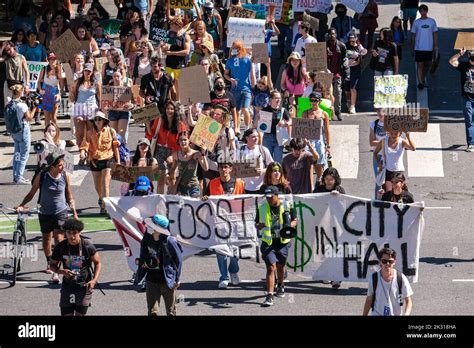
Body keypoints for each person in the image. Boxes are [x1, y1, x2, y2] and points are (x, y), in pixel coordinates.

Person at [16, 152, 78, 283]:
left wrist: (74, 213)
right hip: (44, 212)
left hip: (61, 212)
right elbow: (32, 193)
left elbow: (69, 196)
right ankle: (50, 263)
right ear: (52, 166)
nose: (63, 167)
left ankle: (56, 272)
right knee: (46, 240)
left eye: (63, 165)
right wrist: (21, 205)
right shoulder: (43, 176)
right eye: (60, 165)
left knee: (59, 240)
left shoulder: (65, 176)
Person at [202, 162, 244, 289]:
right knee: (221, 250)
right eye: (221, 167)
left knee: (234, 252)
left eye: (226, 167)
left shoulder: (240, 183)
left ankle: (234, 271)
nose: (223, 170)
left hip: (236, 222)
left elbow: (247, 200)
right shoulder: (213, 183)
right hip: (219, 221)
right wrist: (204, 198)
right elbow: (205, 198)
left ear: (230, 169)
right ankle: (224, 277)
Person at [256, 186, 297, 307]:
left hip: (282, 242)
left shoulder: (287, 206)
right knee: (271, 267)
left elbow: (295, 220)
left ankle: (280, 285)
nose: (268, 200)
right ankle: (269, 296)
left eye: (271, 197)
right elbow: (256, 222)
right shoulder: (262, 207)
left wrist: (289, 226)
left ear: (276, 195)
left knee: (280, 267)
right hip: (268, 243)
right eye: (267, 198)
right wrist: (259, 225)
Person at [50, 219, 102, 316]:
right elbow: (52, 265)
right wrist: (61, 271)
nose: (71, 236)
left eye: (74, 233)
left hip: (84, 287)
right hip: (67, 287)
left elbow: (98, 262)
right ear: (65, 233)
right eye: (69, 233)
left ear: (79, 232)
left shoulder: (87, 246)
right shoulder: (60, 247)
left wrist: (94, 280)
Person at [139, 214, 183, 316]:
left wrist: (177, 278)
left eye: (151, 225)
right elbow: (143, 254)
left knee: (171, 312)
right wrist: (143, 264)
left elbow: (178, 260)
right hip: (151, 280)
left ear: (158, 229)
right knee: (152, 312)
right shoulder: (147, 238)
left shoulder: (170, 241)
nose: (148, 226)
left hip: (167, 281)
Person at [80, 111, 121, 214]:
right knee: (97, 185)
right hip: (94, 161)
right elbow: (85, 144)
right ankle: (101, 198)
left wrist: (118, 162)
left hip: (108, 159)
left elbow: (115, 148)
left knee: (105, 183)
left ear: (104, 121)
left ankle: (105, 207)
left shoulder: (111, 131)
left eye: (100, 119)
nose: (97, 121)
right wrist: (82, 152)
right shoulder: (89, 133)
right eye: (96, 119)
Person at [146, 100, 187, 193]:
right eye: (168, 108)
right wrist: (148, 125)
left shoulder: (180, 124)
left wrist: (174, 155)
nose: (169, 111)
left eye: (172, 109)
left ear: (175, 110)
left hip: (173, 151)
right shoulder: (159, 120)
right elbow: (151, 135)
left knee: (172, 177)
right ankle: (159, 200)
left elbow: (183, 141)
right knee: (160, 178)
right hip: (159, 150)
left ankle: (170, 198)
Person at [362, 247, 413, 316]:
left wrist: (406, 314)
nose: (387, 264)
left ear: (394, 262)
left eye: (390, 261)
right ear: (380, 261)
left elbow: (408, 300)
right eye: (384, 261)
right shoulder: (374, 278)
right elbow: (369, 299)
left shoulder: (400, 278)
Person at [224, 40, 256, 130]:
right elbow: (225, 74)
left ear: (241, 48)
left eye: (237, 48)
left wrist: (254, 87)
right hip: (234, 89)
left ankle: (247, 128)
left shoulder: (247, 60)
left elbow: (252, 75)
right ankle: (237, 129)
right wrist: (231, 79)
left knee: (245, 109)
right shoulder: (229, 61)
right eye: (233, 48)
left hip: (246, 89)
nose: (235, 50)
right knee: (236, 111)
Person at [71, 63, 100, 158]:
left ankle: (88, 153)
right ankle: (81, 152)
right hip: (79, 107)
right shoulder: (77, 82)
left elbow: (100, 97)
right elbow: (72, 98)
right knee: (79, 134)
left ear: (92, 72)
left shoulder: (96, 82)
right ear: (83, 71)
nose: (87, 73)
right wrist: (71, 91)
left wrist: (102, 110)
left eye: (89, 71)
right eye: (86, 70)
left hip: (92, 108)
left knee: (90, 133)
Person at [5, 84, 32, 184]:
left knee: (17, 153)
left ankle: (15, 175)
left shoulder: (9, 103)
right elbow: (29, 118)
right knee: (24, 154)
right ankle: (19, 176)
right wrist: (33, 108)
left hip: (14, 131)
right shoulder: (22, 105)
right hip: (22, 130)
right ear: (21, 92)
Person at [301, 92, 330, 184]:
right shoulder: (305, 113)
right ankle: (308, 181)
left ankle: (319, 179)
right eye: (312, 100)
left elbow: (326, 130)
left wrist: (328, 145)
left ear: (319, 101)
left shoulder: (324, 114)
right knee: (307, 160)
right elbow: (301, 127)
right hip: (308, 139)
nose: (313, 102)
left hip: (319, 139)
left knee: (319, 160)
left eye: (316, 100)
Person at [168, 131, 209, 197]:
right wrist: (171, 180)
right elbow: (173, 169)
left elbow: (206, 168)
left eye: (185, 139)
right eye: (181, 140)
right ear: (178, 142)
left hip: (193, 188)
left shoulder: (196, 154)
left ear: (189, 141)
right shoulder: (176, 155)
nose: (183, 142)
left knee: (193, 207)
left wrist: (203, 153)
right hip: (181, 188)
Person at [449, 49, 474, 152]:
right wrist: (459, 54)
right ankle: (471, 143)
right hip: (467, 98)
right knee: (469, 121)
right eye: (472, 57)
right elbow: (451, 61)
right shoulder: (464, 65)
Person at [258, 90, 291, 163]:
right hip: (267, 137)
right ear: (271, 99)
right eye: (276, 98)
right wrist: (259, 119)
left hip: (279, 137)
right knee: (267, 160)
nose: (278, 100)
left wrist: (285, 124)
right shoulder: (265, 110)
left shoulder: (282, 110)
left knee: (278, 160)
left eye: (280, 98)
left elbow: (290, 121)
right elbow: (259, 126)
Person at [411, 4, 438, 90]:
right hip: (419, 47)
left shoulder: (432, 21)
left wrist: (436, 45)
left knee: (428, 64)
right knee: (420, 64)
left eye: (424, 11)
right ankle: (420, 82)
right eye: (421, 11)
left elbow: (435, 34)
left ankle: (423, 77)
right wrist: (412, 47)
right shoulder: (416, 22)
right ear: (419, 12)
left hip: (429, 47)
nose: (423, 12)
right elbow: (413, 35)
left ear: (426, 11)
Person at [238, 128, 273, 194]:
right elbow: (234, 168)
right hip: (245, 187)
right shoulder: (240, 151)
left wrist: (263, 170)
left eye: (257, 136)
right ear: (247, 138)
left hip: (262, 187)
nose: (256, 138)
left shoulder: (263, 150)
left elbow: (272, 166)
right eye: (253, 137)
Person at [326, 28, 349, 121]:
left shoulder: (341, 45)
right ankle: (329, 113)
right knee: (327, 94)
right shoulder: (325, 45)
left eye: (333, 34)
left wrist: (345, 72)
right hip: (327, 74)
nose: (332, 36)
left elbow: (345, 59)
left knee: (337, 92)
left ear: (336, 34)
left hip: (337, 73)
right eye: (330, 34)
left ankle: (338, 111)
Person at [0, 41, 29, 109]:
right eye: (7, 50)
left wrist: (27, 84)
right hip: (9, 83)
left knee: (19, 105)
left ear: (13, 47)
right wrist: (2, 48)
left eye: (10, 49)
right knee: (8, 105)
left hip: (19, 84)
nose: (9, 51)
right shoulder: (6, 58)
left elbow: (26, 71)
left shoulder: (21, 57)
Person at [37, 52, 62, 126]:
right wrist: (40, 90)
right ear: (48, 60)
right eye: (51, 59)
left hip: (55, 93)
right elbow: (38, 82)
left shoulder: (59, 68)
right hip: (46, 93)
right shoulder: (44, 69)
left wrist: (59, 93)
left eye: (54, 59)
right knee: (47, 116)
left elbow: (61, 83)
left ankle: (55, 135)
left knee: (53, 116)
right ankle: (47, 134)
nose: (53, 61)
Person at [345, 34, 367, 114]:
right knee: (347, 89)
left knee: (353, 87)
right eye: (351, 41)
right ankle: (348, 101)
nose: (352, 42)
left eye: (354, 41)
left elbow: (364, 53)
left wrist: (360, 55)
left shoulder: (358, 46)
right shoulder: (345, 46)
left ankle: (352, 106)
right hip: (347, 69)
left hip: (356, 69)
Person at [369, 108, 386, 197]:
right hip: (377, 155)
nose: (380, 113)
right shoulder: (373, 124)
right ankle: (377, 200)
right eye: (378, 111)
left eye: (382, 111)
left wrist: (379, 142)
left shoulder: (391, 123)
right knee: (378, 179)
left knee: (388, 179)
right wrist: (385, 142)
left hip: (388, 155)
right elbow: (371, 142)